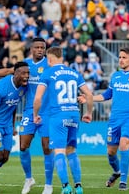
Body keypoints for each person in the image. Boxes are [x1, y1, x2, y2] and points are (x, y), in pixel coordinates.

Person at [33, 46, 93, 194]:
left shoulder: (48, 73)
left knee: (59, 152)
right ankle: (78, 187)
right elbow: (89, 95)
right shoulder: (74, 73)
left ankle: (66, 186)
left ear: (50, 58)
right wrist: (89, 113)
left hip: (58, 116)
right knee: (71, 151)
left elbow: (38, 97)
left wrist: (35, 114)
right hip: (74, 115)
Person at [90, 47, 129, 191]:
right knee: (111, 152)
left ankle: (123, 181)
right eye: (120, 57)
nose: (121, 60)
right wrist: (90, 98)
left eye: (124, 57)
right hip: (114, 119)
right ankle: (117, 172)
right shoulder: (115, 76)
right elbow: (106, 95)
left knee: (124, 144)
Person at [0, 62, 30, 194]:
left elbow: (13, 106)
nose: (26, 76)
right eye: (23, 73)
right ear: (15, 74)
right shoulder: (1, 88)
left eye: (28, 73)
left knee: (5, 158)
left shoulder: (23, 87)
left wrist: (13, 126)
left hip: (7, 125)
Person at [19, 37, 54, 194]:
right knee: (23, 146)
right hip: (29, 110)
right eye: (37, 47)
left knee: (47, 148)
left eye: (43, 47)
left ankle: (48, 185)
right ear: (31, 49)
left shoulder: (50, 65)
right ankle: (29, 178)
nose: (40, 50)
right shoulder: (25, 65)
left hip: (47, 112)